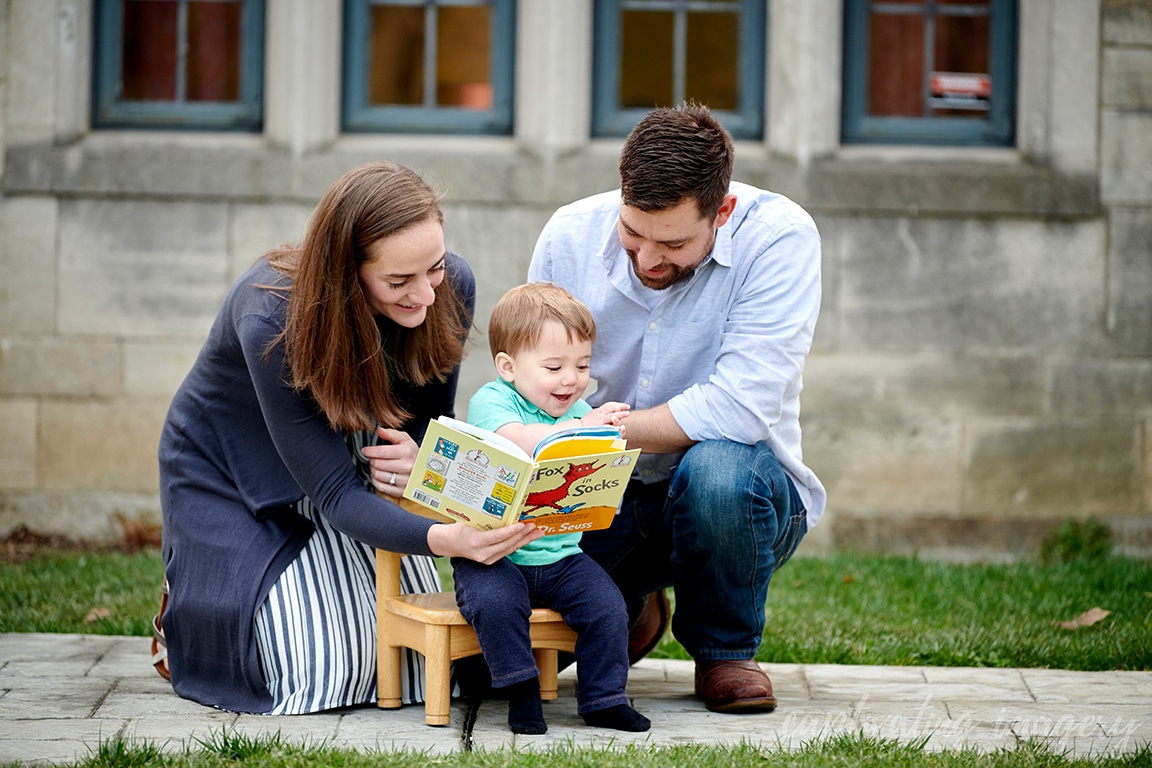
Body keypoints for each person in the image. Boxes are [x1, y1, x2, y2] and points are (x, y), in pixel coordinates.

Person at [155, 161, 543, 715]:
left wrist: (425, 459)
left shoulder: (449, 285)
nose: (427, 297)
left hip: (350, 465)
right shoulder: (271, 315)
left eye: (431, 269)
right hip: (235, 471)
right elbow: (336, 495)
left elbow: (428, 426)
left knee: (426, 659)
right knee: (324, 667)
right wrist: (448, 539)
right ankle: (187, 616)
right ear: (346, 272)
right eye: (398, 282)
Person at [527, 103, 826, 713]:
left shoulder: (782, 239)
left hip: (743, 496)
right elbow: (530, 373)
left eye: (674, 243)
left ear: (723, 212)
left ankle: (725, 654)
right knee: (492, 667)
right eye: (633, 233)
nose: (648, 260)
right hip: (598, 491)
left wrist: (598, 429)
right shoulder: (567, 235)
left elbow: (738, 410)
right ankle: (631, 605)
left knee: (716, 468)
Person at [452, 282, 650, 734]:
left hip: (561, 554)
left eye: (582, 365)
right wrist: (581, 427)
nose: (571, 379)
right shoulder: (493, 400)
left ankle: (603, 698)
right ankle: (520, 693)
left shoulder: (576, 408)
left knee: (608, 607)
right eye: (554, 366)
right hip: (494, 554)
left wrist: (606, 443)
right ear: (508, 366)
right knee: (496, 603)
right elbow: (516, 440)